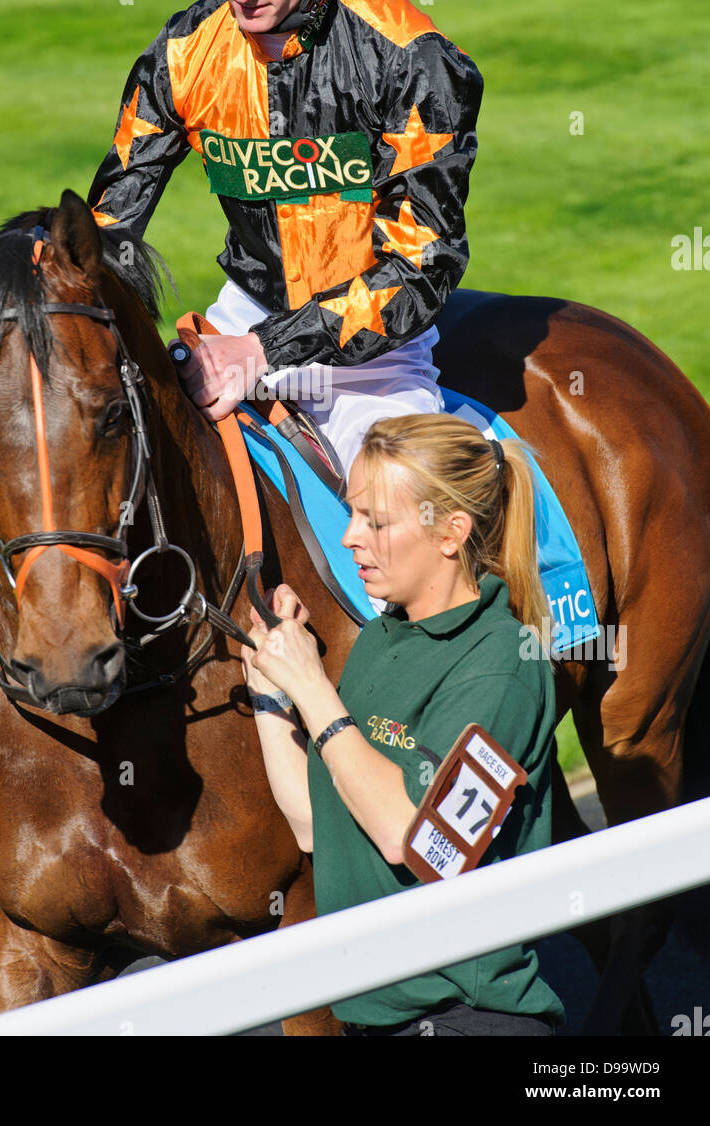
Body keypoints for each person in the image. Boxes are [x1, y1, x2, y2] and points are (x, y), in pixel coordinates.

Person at [88, 0, 484, 475]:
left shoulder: (415, 62)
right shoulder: (183, 55)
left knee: (402, 534)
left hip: (374, 366)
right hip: (239, 319)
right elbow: (105, 227)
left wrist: (267, 351)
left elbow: (425, 265)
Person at [241, 413, 566, 1035]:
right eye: (354, 515)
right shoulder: (381, 637)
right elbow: (315, 825)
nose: (348, 538)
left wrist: (312, 685)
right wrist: (270, 688)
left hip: (464, 1020)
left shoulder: (501, 668)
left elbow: (412, 836)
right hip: (373, 1019)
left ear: (451, 533)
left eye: (376, 522)